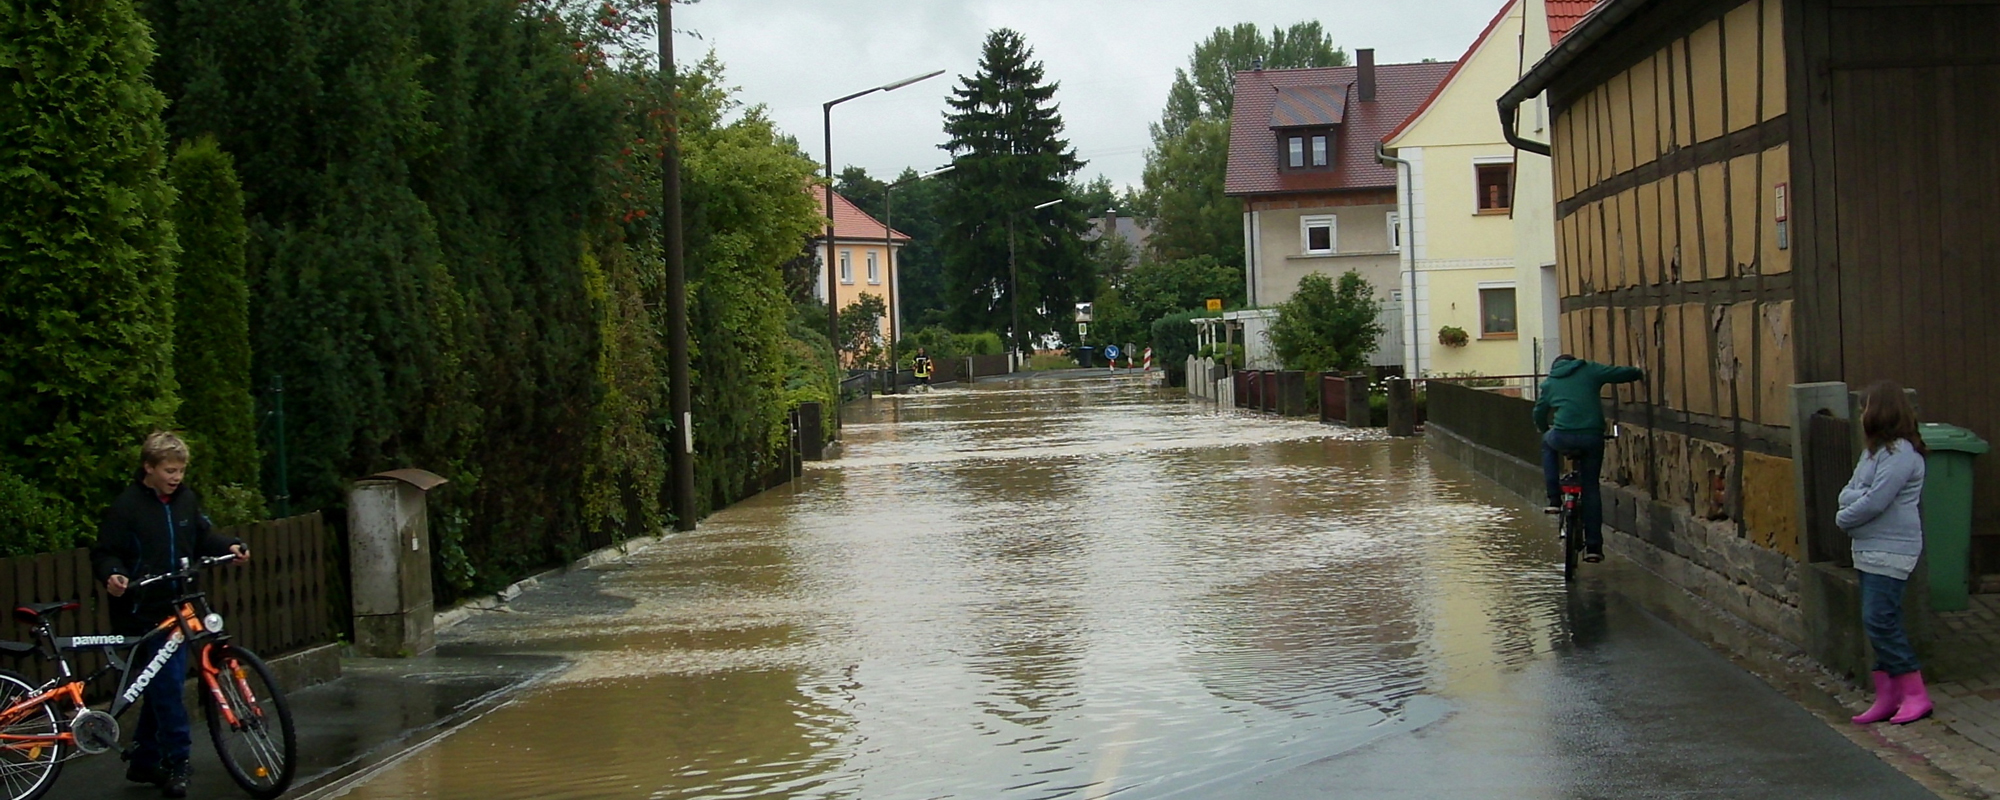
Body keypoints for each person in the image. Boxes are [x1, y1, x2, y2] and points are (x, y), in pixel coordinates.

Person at [92, 432, 250, 798]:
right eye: (169, 470)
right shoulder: (126, 507)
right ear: (149, 468)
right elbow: (105, 553)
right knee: (165, 688)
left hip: (179, 606)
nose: (176, 477)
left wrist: (229, 546)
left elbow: (202, 535)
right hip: (141, 612)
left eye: (180, 470)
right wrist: (113, 575)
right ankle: (178, 760)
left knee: (162, 686)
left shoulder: (186, 501)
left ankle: (147, 759)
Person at [1841, 381, 1932, 725]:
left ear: (1880, 411)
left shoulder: (1900, 455)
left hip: (1892, 548)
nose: (1862, 415)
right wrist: (1853, 501)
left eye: (1864, 408)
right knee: (1877, 621)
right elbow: (1851, 490)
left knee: (1880, 620)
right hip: (1868, 546)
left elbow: (1876, 500)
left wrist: (1844, 515)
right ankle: (1888, 695)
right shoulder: (1874, 452)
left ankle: (1914, 692)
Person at [1532, 354, 1644, 563]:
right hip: (1592, 436)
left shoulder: (1550, 383)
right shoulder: (1590, 370)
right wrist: (1637, 371)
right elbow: (1618, 374)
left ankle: (1554, 499)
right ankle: (1593, 547)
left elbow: (1539, 412)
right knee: (1590, 487)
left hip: (1562, 435)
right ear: (1574, 362)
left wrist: (1544, 429)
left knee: (1547, 442)